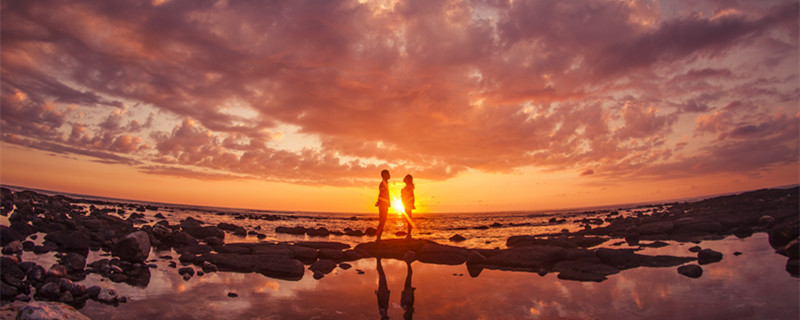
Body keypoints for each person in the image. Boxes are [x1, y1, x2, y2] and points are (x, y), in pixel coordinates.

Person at [375, 169, 391, 242]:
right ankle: (378, 238)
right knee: (382, 220)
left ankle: (378, 237)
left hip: (384, 204)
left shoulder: (385, 183)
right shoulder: (383, 183)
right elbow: (381, 194)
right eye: (388, 174)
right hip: (383, 204)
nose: (389, 175)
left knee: (383, 220)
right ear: (384, 176)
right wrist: (379, 202)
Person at [401, 174, 415, 239]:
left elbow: (412, 196)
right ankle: (409, 234)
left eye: (405, 178)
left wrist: (411, 204)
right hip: (406, 204)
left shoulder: (409, 187)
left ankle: (409, 235)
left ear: (408, 180)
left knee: (409, 219)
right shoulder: (407, 186)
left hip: (408, 204)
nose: (404, 178)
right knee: (408, 219)